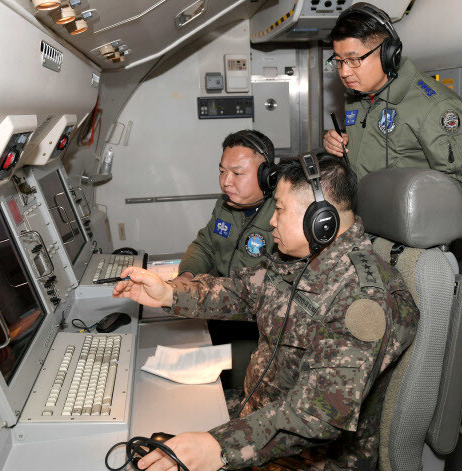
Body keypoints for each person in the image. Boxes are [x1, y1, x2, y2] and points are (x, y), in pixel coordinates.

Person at [113, 154, 418, 470]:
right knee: (145, 429)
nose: (272, 220)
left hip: (308, 458)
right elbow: (242, 292)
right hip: (258, 417)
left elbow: (315, 417)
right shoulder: (307, 260)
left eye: (281, 210)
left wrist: (217, 447)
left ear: (320, 220)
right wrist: (168, 293)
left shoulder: (363, 301)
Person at [323, 2, 462, 184]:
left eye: (353, 59)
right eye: (339, 61)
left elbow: (455, 187)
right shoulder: (356, 96)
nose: (344, 71)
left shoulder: (435, 106)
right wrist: (338, 144)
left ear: (387, 54)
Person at [177, 129, 277, 282]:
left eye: (237, 174)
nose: (225, 182)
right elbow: (205, 246)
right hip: (222, 294)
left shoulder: (282, 213)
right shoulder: (225, 204)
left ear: (266, 177)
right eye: (222, 171)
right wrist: (187, 274)